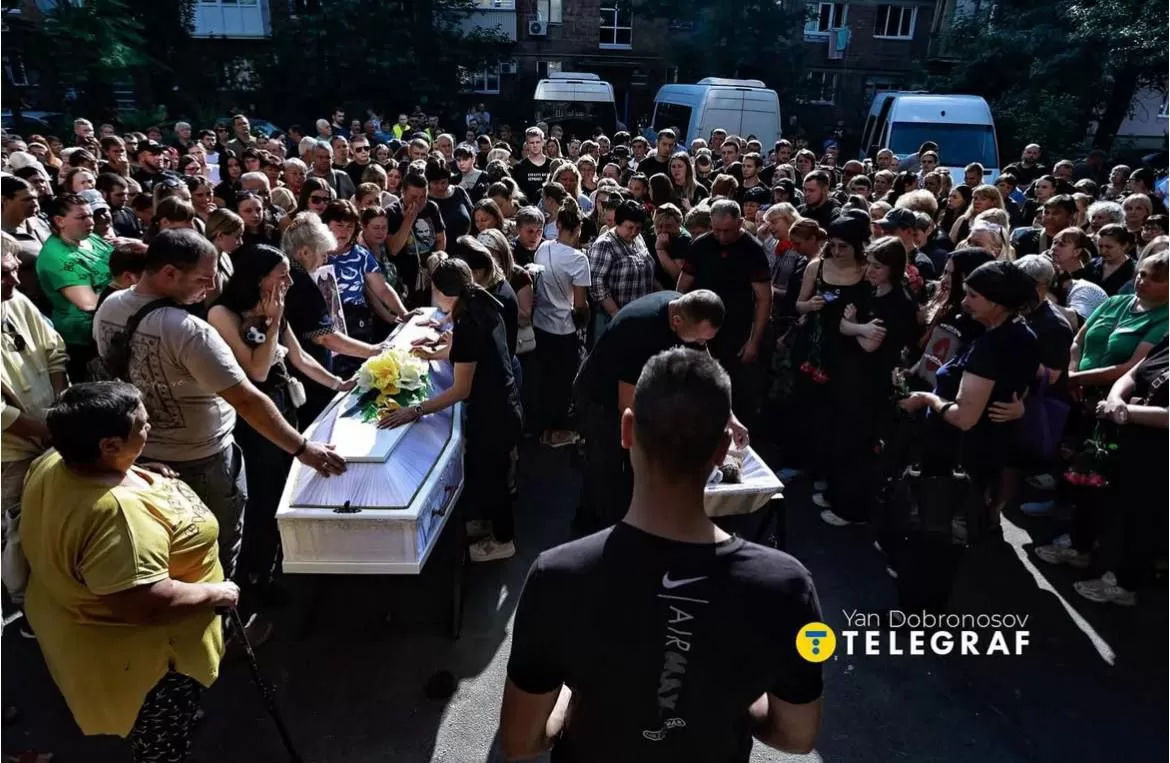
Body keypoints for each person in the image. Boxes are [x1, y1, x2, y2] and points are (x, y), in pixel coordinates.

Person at [502, 348, 823, 762]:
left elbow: (521, 741)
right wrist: (727, 699)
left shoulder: (557, 577)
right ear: (723, 447)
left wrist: (567, 698)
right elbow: (797, 735)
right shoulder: (787, 588)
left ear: (627, 430)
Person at [93, 229, 347, 589]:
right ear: (169, 273)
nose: (212, 286)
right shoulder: (189, 331)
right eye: (203, 278)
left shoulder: (110, 307)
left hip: (146, 457)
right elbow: (246, 397)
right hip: (203, 462)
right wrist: (303, 449)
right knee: (218, 554)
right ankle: (226, 614)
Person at [20, 382, 238, 760]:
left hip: (71, 627)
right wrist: (217, 592)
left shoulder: (53, 461)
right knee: (161, 743)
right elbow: (145, 603)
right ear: (108, 446)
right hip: (147, 663)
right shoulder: (119, 518)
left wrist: (135, 471)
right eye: (142, 424)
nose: (150, 427)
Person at [208, 244, 355, 599]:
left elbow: (300, 358)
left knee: (282, 486)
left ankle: (274, 565)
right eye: (282, 275)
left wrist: (338, 384)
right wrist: (272, 321)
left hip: (284, 404)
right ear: (259, 278)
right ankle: (252, 577)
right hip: (255, 415)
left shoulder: (277, 307)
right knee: (263, 493)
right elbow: (257, 370)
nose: (289, 281)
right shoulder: (222, 314)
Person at [378, 258, 522, 563]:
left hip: (493, 414)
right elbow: (465, 351)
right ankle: (489, 522)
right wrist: (433, 353)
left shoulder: (469, 322)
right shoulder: (480, 302)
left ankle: (503, 540)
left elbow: (460, 390)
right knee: (485, 471)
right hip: (501, 406)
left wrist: (415, 410)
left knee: (494, 478)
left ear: (442, 292)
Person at [572, 289, 734, 532]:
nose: (702, 344)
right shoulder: (637, 331)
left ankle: (599, 516)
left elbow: (705, 368)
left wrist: (729, 416)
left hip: (629, 391)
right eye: (700, 339)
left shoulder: (685, 309)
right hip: (600, 398)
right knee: (609, 467)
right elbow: (627, 405)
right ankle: (606, 532)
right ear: (677, 321)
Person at [819, 237, 918, 526]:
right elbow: (842, 324)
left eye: (877, 266)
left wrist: (854, 326)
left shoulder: (898, 302)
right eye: (870, 264)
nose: (870, 271)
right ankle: (838, 495)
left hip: (872, 384)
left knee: (858, 445)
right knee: (842, 439)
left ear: (893, 268)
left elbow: (869, 344)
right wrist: (857, 328)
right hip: (853, 378)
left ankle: (852, 510)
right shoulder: (872, 292)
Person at [677, 199, 771, 418]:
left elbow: (764, 299)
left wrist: (754, 341)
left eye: (726, 231)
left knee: (736, 392)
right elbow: (682, 288)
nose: (720, 236)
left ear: (740, 223)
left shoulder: (752, 250)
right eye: (716, 229)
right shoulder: (701, 245)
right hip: (701, 331)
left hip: (737, 333)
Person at [530, 200, 591, 448]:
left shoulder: (543, 248)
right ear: (578, 229)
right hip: (564, 329)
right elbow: (580, 304)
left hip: (539, 325)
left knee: (542, 379)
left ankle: (540, 427)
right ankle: (556, 431)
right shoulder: (579, 260)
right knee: (563, 383)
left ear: (558, 225)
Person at [36, 193, 114, 382]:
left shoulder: (90, 239)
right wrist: (123, 284)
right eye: (81, 217)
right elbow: (88, 303)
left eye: (90, 215)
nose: (90, 222)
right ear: (59, 221)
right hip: (84, 340)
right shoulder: (58, 257)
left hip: (109, 327)